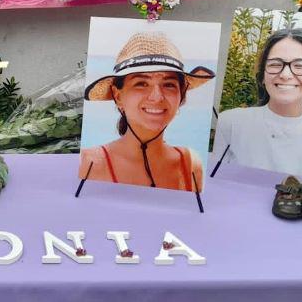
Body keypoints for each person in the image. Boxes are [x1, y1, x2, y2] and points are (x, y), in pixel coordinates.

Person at [79, 32, 214, 192]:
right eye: (141, 83)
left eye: (169, 84)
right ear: (118, 96)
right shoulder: (89, 163)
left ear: (181, 96)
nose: (157, 97)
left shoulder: (190, 164)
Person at [212, 28, 302, 182]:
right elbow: (214, 182)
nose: (285, 75)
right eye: (275, 64)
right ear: (263, 75)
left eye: (300, 66)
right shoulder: (229, 123)